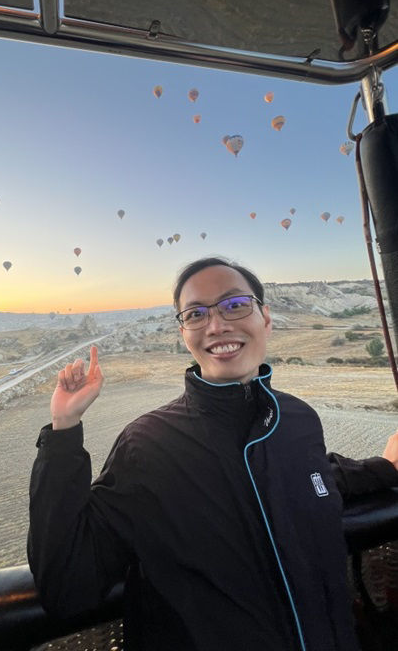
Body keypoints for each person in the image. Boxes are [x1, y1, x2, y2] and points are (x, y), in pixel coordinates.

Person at [28, 257, 398, 651]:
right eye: (195, 313)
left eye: (234, 305)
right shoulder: (147, 445)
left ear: (266, 318)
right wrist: (63, 431)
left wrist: (386, 468)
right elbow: (68, 585)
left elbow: (312, 478)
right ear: (183, 332)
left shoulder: (298, 420)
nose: (217, 325)